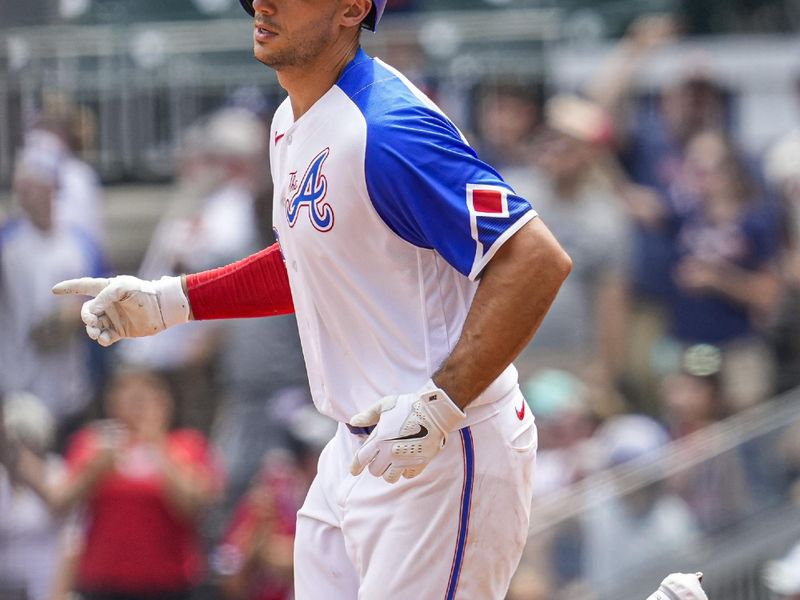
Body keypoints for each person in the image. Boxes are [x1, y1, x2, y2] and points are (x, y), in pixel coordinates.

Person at [52, 2, 573, 599]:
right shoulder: (289, 121)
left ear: (352, 8)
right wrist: (172, 301)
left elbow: (534, 259)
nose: (262, 4)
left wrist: (444, 402)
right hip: (352, 445)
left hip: (445, 448)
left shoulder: (389, 128)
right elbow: (311, 258)